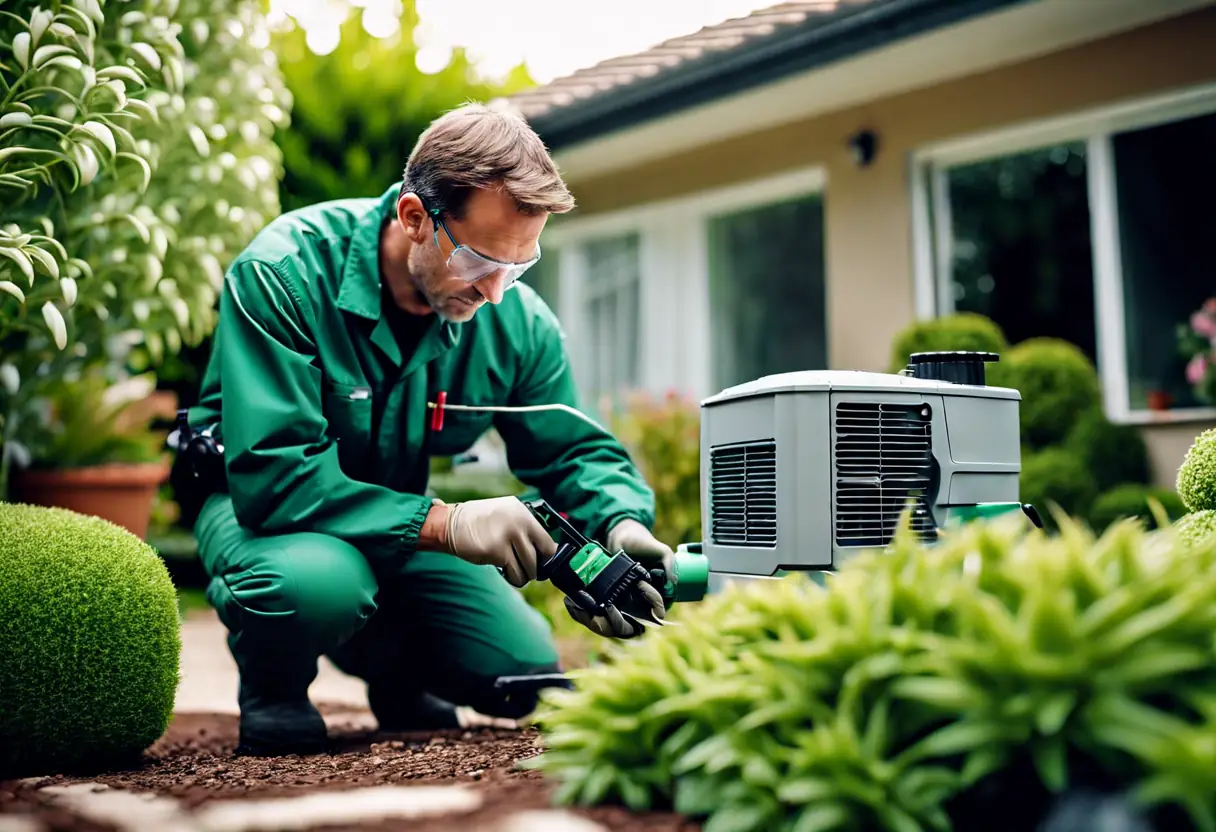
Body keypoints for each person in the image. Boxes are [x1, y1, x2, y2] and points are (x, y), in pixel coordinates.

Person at [184, 103, 673, 757]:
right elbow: (276, 475)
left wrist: (622, 526)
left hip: (395, 521)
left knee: (523, 670)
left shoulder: (514, 322)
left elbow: (573, 452)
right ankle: (276, 690)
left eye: (519, 267)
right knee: (317, 585)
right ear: (414, 217)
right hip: (262, 513)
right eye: (479, 262)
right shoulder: (284, 274)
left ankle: (397, 673)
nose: (497, 292)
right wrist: (451, 525)